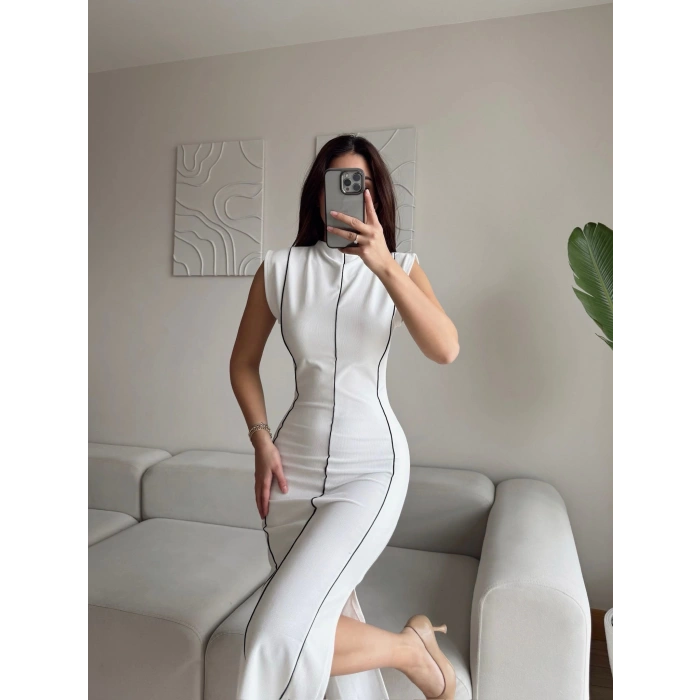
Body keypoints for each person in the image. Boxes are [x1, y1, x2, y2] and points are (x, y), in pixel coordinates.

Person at [229, 133, 460, 700]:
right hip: (291, 473)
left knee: (274, 634)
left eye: (363, 186)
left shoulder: (401, 267)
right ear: (319, 193)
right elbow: (242, 363)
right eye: (340, 184)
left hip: (371, 469)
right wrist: (261, 439)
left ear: (378, 197)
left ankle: (412, 651)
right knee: (313, 625)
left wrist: (383, 265)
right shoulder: (279, 268)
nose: (352, 197)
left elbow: (446, 347)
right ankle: (412, 649)